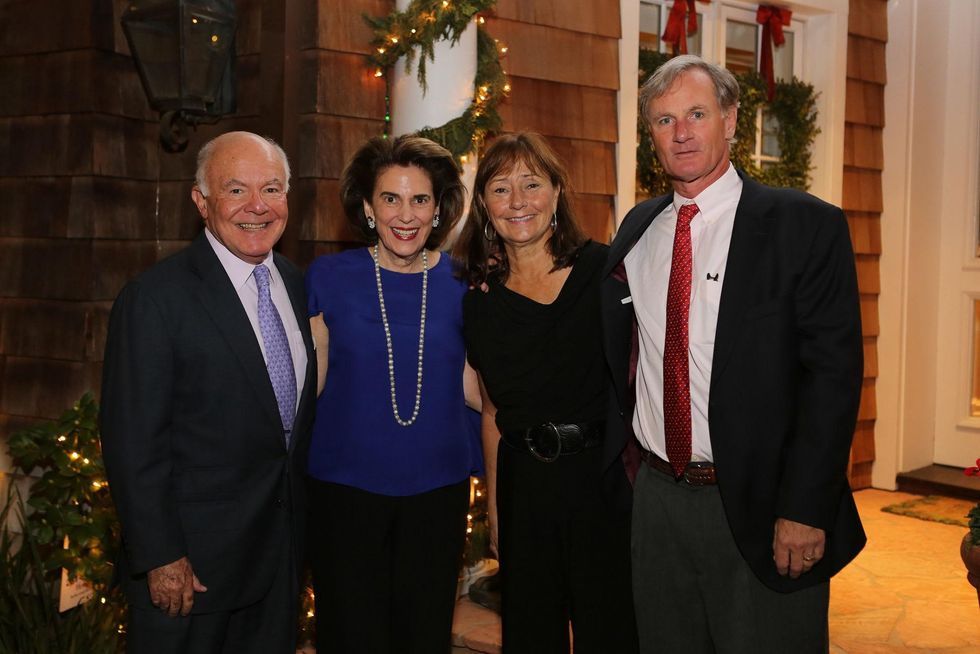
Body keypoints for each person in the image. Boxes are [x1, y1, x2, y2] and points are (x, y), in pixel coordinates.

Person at [601, 54, 867, 653]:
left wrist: (805, 506)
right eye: (664, 121)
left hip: (763, 501)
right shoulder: (637, 230)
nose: (682, 132)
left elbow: (833, 377)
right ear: (651, 137)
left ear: (731, 120)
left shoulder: (804, 226)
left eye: (696, 113)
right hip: (659, 502)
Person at [100, 131, 316, 653]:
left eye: (272, 188)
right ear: (201, 201)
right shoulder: (154, 299)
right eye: (236, 190)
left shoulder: (294, 282)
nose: (258, 206)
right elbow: (133, 441)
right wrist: (160, 555)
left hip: (278, 561)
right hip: (193, 573)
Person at [458, 132, 638, 654]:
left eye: (532, 184)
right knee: (531, 633)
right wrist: (495, 510)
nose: (518, 202)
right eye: (500, 188)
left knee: (612, 632)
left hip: (601, 481)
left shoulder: (607, 273)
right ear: (484, 206)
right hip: (525, 486)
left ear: (557, 192)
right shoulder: (481, 304)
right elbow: (493, 410)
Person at [305, 134, 481, 654]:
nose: (406, 214)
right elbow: (304, 388)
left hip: (437, 493)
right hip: (344, 494)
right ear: (367, 206)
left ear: (438, 208)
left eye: (420, 199)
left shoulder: (464, 283)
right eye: (391, 198)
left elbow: (479, 386)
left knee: (423, 636)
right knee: (349, 635)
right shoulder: (329, 277)